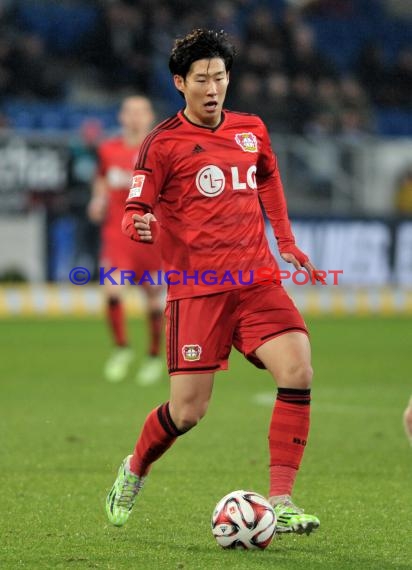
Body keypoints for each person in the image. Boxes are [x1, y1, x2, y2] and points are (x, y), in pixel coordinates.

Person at [106, 29, 322, 534]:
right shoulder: (161, 144)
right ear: (180, 83)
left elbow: (267, 175)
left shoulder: (251, 129)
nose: (212, 87)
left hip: (257, 282)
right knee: (188, 411)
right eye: (201, 78)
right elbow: (135, 206)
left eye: (220, 77)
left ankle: (282, 500)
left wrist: (285, 242)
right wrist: (135, 222)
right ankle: (135, 466)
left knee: (298, 370)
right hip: (197, 288)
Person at [88, 95, 164, 385]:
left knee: (154, 301)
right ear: (121, 117)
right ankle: (121, 348)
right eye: (129, 111)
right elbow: (103, 178)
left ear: (149, 117)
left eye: (140, 111)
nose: (134, 117)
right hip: (117, 233)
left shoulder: (160, 149)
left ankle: (154, 355)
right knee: (112, 290)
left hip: (150, 235)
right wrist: (98, 200)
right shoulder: (108, 149)